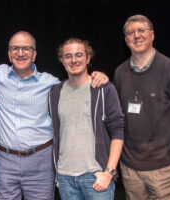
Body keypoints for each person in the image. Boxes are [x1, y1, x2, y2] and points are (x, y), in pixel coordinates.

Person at [0, 31, 109, 200]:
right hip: (5, 162)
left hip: (40, 161)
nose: (21, 53)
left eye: (26, 48)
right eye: (15, 48)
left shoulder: (51, 83)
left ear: (34, 54)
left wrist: (97, 76)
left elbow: (77, 83)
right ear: (9, 54)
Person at [113, 14, 170, 200]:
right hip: (131, 170)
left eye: (141, 30)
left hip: (166, 170)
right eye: (131, 32)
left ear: (152, 35)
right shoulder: (120, 73)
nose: (136, 35)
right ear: (126, 40)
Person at [48, 38, 124, 200]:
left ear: (88, 58)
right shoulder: (55, 93)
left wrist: (109, 172)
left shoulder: (104, 89)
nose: (74, 60)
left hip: (96, 177)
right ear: (62, 60)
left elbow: (118, 132)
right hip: (65, 178)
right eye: (68, 56)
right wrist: (58, 174)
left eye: (79, 55)